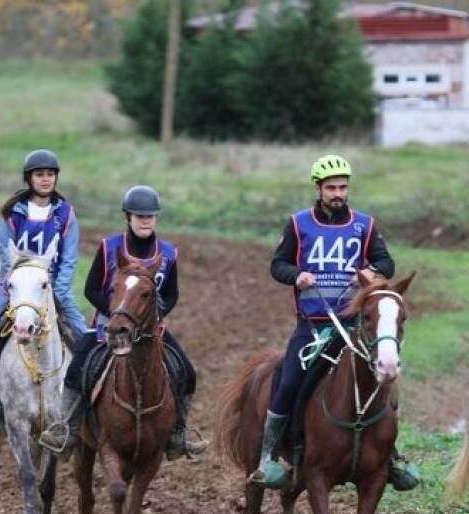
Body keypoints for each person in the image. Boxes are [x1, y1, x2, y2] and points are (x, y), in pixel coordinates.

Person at [249, 154, 420, 491]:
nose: (338, 193)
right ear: (318, 189)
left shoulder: (364, 225)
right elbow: (277, 265)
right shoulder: (298, 224)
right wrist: (297, 275)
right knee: (289, 379)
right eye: (331, 188)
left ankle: (391, 456)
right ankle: (269, 455)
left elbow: (386, 261)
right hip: (312, 325)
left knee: (385, 378)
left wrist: (374, 273)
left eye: (342, 187)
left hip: (354, 326)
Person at [37, 185, 208, 460]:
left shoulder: (167, 253)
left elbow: (172, 293)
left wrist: (154, 315)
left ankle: (178, 432)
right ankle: (66, 430)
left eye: (150, 216)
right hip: (108, 327)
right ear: (128, 217)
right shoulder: (110, 247)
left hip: (150, 331)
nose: (145, 220)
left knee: (187, 372)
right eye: (139, 215)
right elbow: (91, 289)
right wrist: (119, 314)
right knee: (76, 370)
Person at [0, 149, 89, 429]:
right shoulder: (13, 212)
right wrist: (13, 282)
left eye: (50, 174)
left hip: (50, 284)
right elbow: (5, 253)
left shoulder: (65, 215)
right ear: (29, 178)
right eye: (39, 174)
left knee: (81, 330)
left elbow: (69, 258)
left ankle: (89, 398)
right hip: (16, 280)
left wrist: (57, 288)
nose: (45, 179)